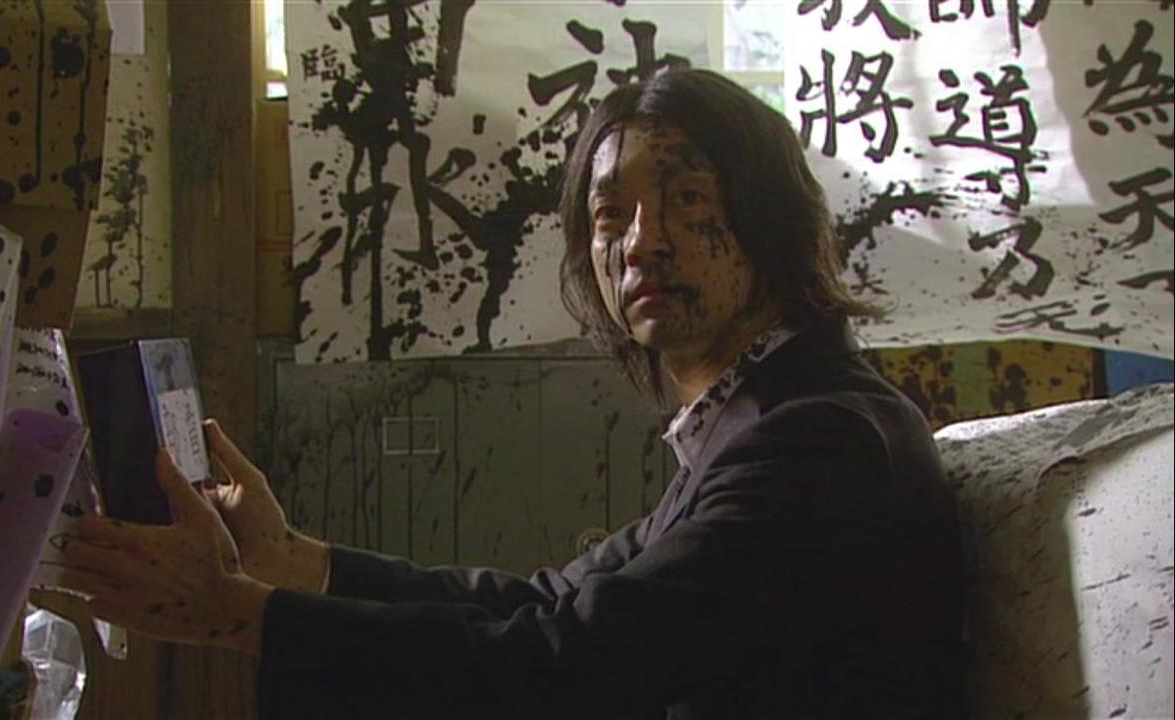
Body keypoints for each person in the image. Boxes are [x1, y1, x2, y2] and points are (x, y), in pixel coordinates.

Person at [58, 69, 965, 719]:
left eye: (687, 199)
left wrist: (239, 615)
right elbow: (549, 601)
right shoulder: (763, 418)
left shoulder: (819, 441)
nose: (640, 243)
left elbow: (570, 665)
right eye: (609, 215)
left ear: (769, 219)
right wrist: (291, 561)